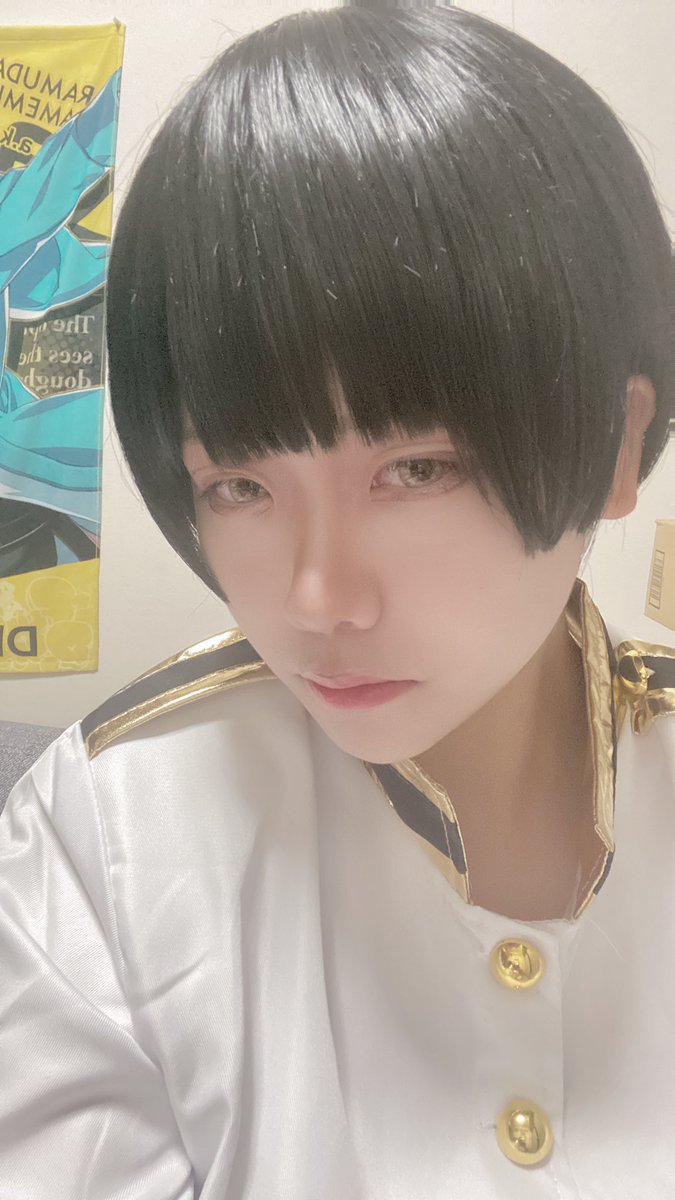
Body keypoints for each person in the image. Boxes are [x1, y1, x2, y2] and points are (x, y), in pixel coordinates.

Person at [1, 4, 673, 1196]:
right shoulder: (111, 828)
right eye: (241, 485)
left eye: (416, 469)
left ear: (615, 447)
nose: (317, 599)